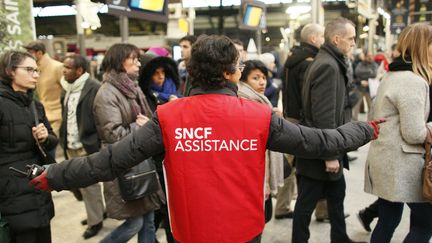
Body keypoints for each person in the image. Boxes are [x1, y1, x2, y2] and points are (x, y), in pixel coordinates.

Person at [29, 35, 381, 243]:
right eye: (240, 67)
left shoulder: (167, 118)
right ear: (229, 73)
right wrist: (369, 129)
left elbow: (108, 161)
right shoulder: (259, 116)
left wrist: (54, 175)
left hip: (189, 231)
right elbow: (324, 141)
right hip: (244, 230)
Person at [294, 17, 363, 243]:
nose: (354, 42)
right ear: (336, 38)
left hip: (325, 146)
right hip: (322, 150)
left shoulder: (328, 61)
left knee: (336, 197)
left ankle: (340, 238)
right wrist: (331, 155)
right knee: (306, 205)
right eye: (351, 38)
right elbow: (324, 114)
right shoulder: (328, 65)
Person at [364, 22, 432, 243]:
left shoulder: (392, 75)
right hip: (404, 165)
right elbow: (413, 133)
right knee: (424, 225)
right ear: (423, 46)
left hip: (386, 160)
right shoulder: (413, 81)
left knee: (388, 220)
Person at [92, 43, 165, 243]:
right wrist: (139, 128)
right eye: (134, 59)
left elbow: (147, 120)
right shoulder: (107, 93)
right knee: (135, 223)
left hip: (140, 163)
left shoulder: (132, 87)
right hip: (125, 167)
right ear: (119, 61)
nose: (138, 64)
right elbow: (112, 134)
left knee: (149, 220)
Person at [0, 51, 58, 243]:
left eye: (37, 70)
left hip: (37, 185)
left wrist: (44, 138)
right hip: (11, 193)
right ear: (10, 71)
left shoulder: (35, 106)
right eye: (29, 70)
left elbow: (53, 139)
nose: (36, 75)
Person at [277, 23, 325, 221]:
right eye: (322, 36)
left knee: (289, 166)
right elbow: (311, 96)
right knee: (319, 166)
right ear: (313, 38)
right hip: (305, 123)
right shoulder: (310, 62)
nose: (325, 40)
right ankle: (323, 210)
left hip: (290, 119)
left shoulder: (291, 58)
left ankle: (281, 206)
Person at [59, 54, 105, 239]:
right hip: (70, 143)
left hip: (86, 144)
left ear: (79, 70)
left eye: (68, 67)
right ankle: (98, 212)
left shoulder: (93, 87)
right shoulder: (67, 87)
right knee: (78, 183)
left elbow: (100, 117)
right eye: (64, 66)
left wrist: (96, 140)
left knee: (89, 185)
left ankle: (96, 221)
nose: (64, 70)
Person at [237, 59, 284, 224]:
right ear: (243, 81)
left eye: (263, 77)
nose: (262, 81)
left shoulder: (261, 101)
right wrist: (262, 183)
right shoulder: (247, 104)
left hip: (257, 175)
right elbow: (256, 148)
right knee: (257, 219)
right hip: (253, 177)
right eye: (255, 78)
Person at [24, 41, 63, 137]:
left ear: (39, 53)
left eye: (30, 52)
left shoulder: (57, 67)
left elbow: (66, 90)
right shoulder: (34, 68)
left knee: (53, 147)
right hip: (41, 115)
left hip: (57, 116)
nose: (28, 55)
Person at [353, 51, 378, 121]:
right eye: (368, 56)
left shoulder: (374, 65)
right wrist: (369, 72)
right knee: (356, 107)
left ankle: (369, 123)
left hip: (370, 89)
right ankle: (354, 123)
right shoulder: (360, 64)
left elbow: (374, 74)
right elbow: (357, 72)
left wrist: (364, 74)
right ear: (365, 56)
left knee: (371, 107)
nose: (370, 57)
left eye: (371, 56)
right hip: (360, 88)